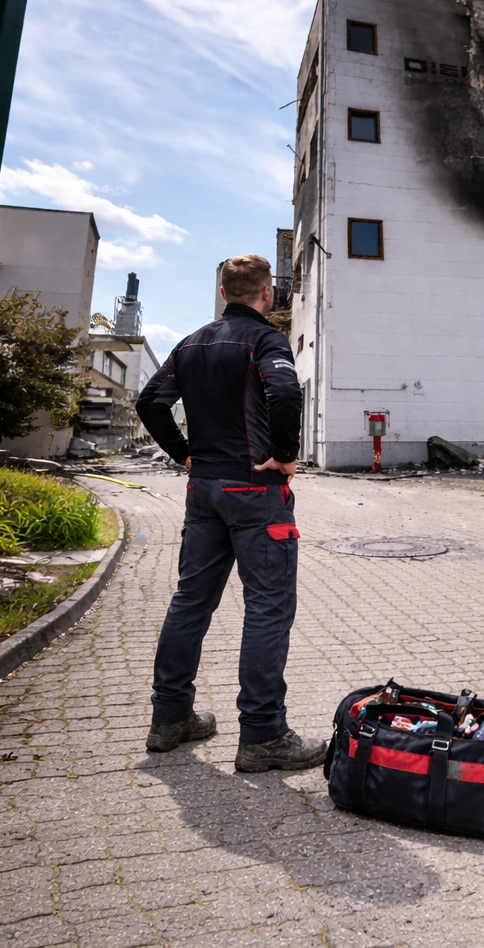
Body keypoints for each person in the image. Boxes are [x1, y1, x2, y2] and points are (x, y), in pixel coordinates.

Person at [135, 254, 325, 772]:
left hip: (204, 491)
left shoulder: (191, 344)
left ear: (223, 292)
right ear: (267, 294)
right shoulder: (266, 340)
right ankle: (263, 735)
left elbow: (150, 402)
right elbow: (285, 391)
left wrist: (183, 453)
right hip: (255, 490)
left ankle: (170, 718)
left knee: (190, 600)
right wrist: (285, 455)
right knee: (267, 607)